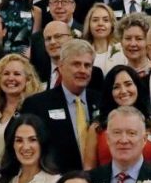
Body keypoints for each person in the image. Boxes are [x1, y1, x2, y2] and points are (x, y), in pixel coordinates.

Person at [20, 39, 99, 173]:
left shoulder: (102, 101)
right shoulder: (37, 104)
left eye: (87, 65)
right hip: (55, 182)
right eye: (76, 64)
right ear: (61, 67)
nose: (82, 70)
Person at [83, 65, 151, 169]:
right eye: (116, 87)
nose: (123, 91)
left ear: (137, 87)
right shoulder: (97, 128)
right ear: (110, 92)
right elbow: (89, 170)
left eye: (128, 84)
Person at [0, 53, 41, 164]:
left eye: (17, 74)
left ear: (28, 79)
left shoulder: (34, 111)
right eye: (6, 74)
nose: (11, 78)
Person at [106, 12, 151, 77]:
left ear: (148, 42)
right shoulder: (116, 76)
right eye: (128, 38)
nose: (133, 44)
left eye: (139, 38)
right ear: (121, 42)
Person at [82, 2, 119, 71]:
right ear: (89, 25)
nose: (100, 24)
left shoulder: (122, 51)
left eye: (105, 20)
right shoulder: (82, 53)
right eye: (95, 20)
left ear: (112, 25)